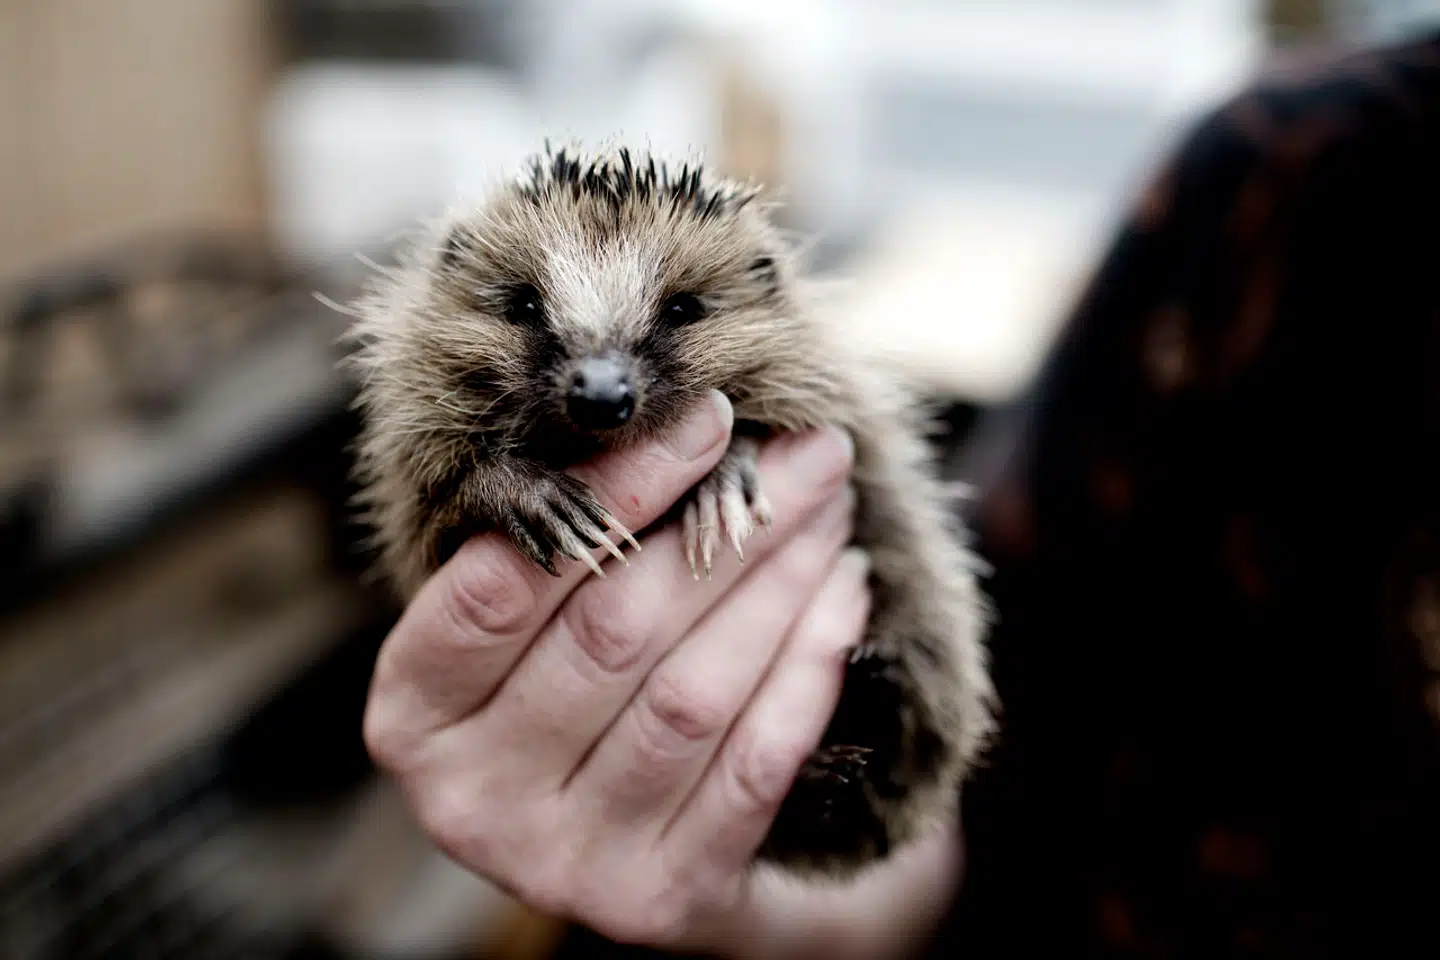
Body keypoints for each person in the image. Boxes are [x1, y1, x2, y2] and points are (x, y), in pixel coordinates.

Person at [363, 27, 1440, 958]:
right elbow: (995, 804)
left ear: (762, 297)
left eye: (674, 324)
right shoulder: (1291, 179)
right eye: (532, 316)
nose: (601, 379)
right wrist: (783, 913)